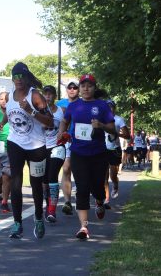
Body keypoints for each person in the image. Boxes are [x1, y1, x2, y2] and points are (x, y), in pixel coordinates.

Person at [0, 62, 53, 239]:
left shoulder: (35, 96)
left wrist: (31, 111)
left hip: (36, 146)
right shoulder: (10, 96)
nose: (18, 80)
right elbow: (10, 111)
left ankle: (38, 218)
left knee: (36, 185)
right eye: (15, 76)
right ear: (12, 79)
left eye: (22, 76)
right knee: (15, 182)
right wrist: (3, 122)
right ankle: (17, 223)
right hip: (15, 143)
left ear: (27, 78)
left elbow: (50, 122)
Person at [58, 74, 116, 240]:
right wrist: (62, 131)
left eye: (89, 85)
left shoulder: (102, 106)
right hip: (78, 153)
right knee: (82, 188)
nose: (85, 88)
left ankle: (99, 200)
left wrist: (101, 125)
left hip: (98, 153)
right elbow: (65, 121)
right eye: (82, 85)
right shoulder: (73, 106)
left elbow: (112, 129)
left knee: (97, 186)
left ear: (94, 88)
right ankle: (84, 227)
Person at [56, 81, 80, 215]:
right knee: (66, 168)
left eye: (75, 87)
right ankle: (67, 201)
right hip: (64, 140)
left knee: (78, 169)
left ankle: (80, 192)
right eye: (69, 87)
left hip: (79, 140)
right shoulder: (59, 104)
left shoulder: (83, 104)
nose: (72, 89)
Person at [42, 85, 66, 223]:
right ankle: (48, 202)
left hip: (58, 146)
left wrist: (64, 133)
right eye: (45, 94)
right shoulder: (38, 111)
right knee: (43, 180)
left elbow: (68, 123)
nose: (48, 96)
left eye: (50, 94)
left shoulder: (62, 111)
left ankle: (52, 210)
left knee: (52, 175)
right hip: (41, 147)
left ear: (55, 96)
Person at [104, 100, 130, 209]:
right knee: (104, 176)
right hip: (102, 149)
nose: (110, 109)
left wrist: (116, 133)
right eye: (108, 107)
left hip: (114, 149)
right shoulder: (101, 119)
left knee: (112, 174)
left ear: (114, 108)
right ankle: (106, 199)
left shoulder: (119, 120)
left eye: (112, 107)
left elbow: (127, 135)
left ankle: (115, 184)